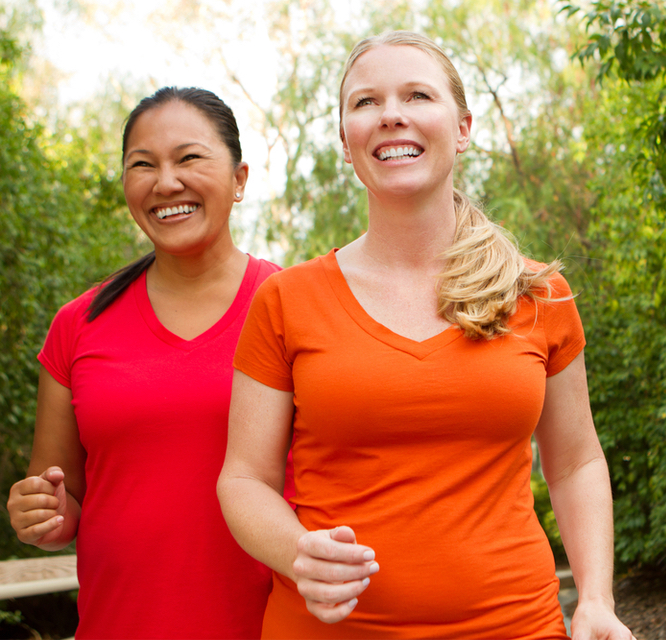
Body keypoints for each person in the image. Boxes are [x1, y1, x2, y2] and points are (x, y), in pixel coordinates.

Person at [218, 31, 634, 640]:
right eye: (365, 103)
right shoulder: (286, 300)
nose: (391, 115)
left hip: (516, 626)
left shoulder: (538, 294)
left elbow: (575, 462)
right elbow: (244, 479)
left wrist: (596, 597)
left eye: (417, 95)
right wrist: (297, 553)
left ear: (462, 127)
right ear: (344, 140)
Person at [6, 86, 281, 639]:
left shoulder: (294, 307)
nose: (166, 182)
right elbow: (62, 507)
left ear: (240, 179)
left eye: (189, 158)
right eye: (143, 165)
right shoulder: (76, 325)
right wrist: (42, 512)